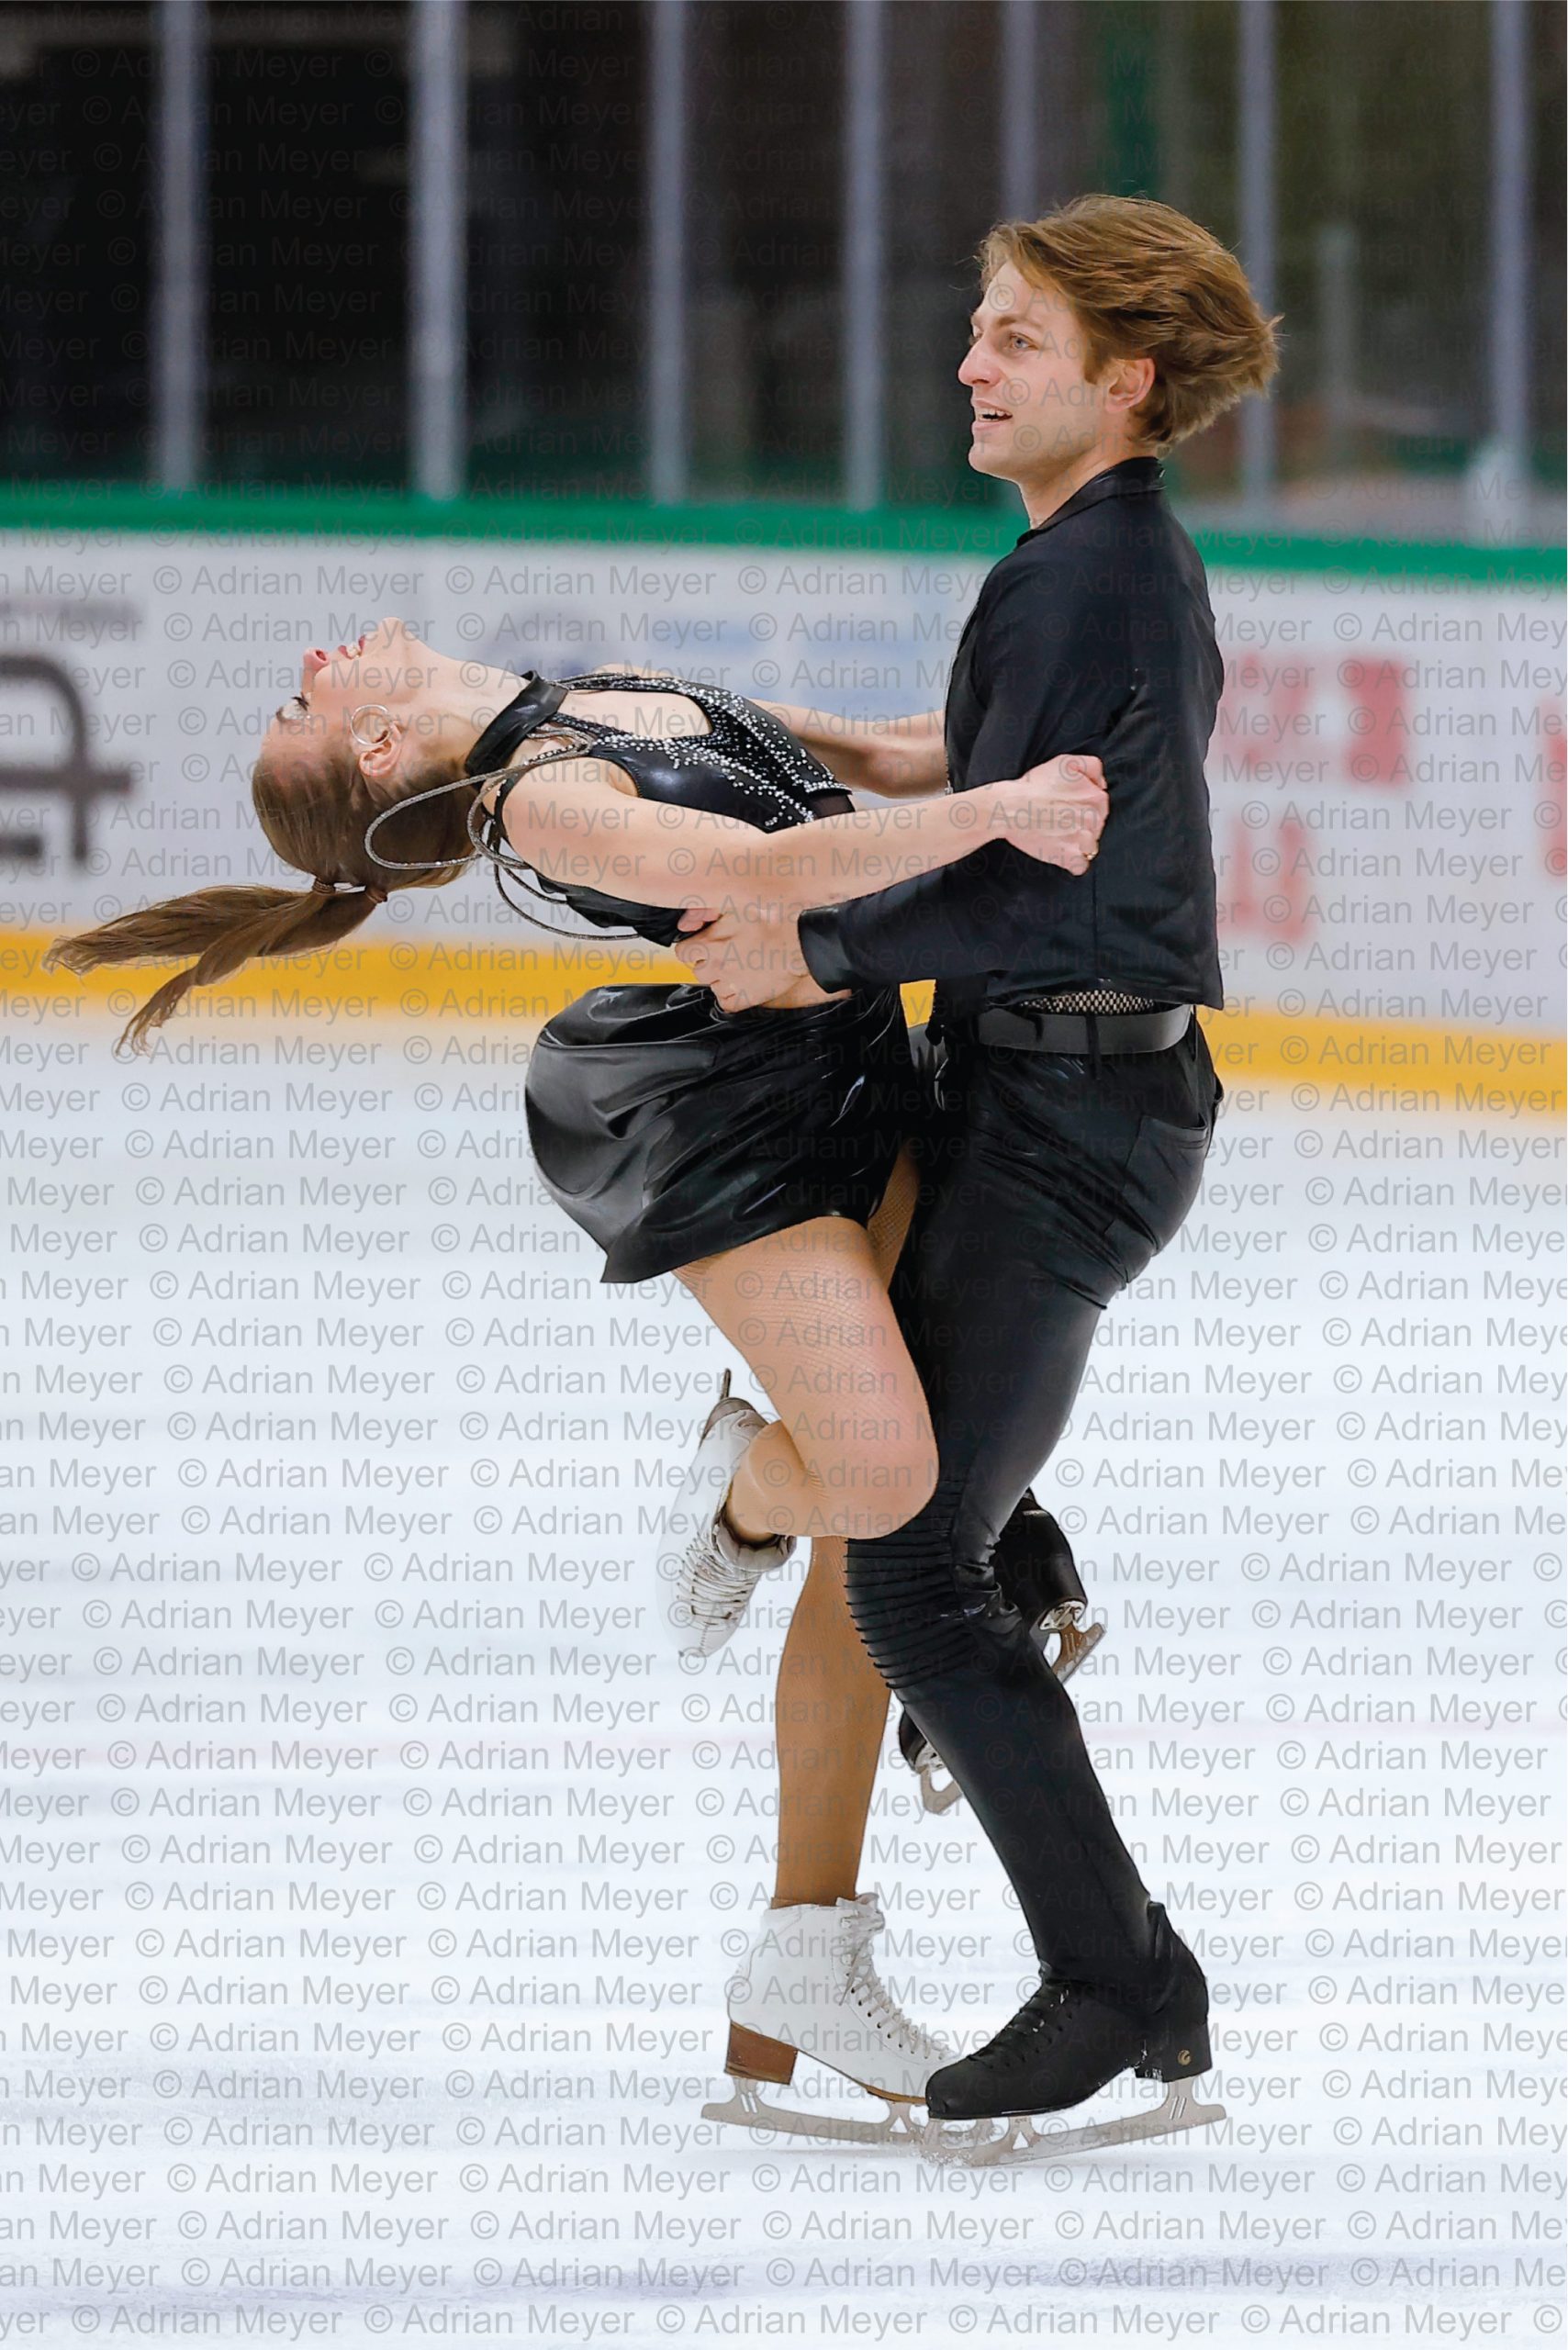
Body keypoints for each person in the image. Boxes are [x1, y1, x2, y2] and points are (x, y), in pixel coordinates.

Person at [45, 622, 1106, 2139]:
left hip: (857, 1056)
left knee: (893, 1533)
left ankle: (805, 1953)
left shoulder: (578, 692)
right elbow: (768, 878)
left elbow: (864, 760)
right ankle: (740, 1485)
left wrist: (1083, 726)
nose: (312, 658)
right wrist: (1003, 820)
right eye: (302, 698)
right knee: (882, 1476)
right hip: (735, 1120)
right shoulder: (540, 797)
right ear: (373, 753)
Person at [676, 194, 1280, 2152]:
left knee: (915, 1573)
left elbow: (1050, 886)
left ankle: (1116, 1975)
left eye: (1013, 338)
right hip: (1052, 1094)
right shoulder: (1082, 563)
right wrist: (805, 750)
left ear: (1122, 379)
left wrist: (813, 943)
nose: (967, 363)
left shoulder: (1087, 573)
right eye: (975, 324)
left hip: (1069, 1109)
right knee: (913, 1521)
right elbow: (993, 776)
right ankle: (796, 1499)